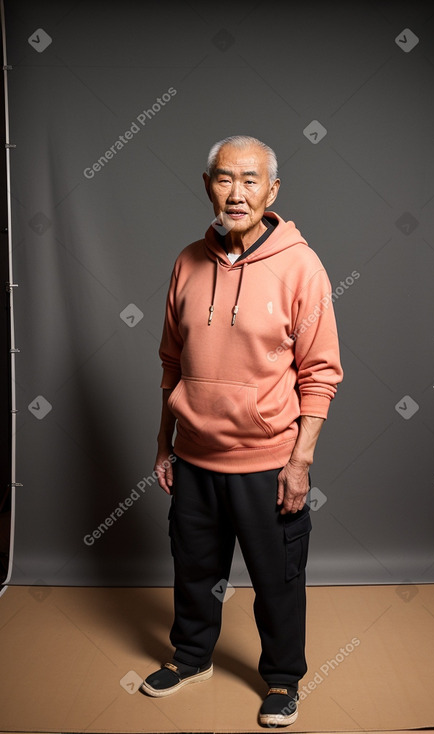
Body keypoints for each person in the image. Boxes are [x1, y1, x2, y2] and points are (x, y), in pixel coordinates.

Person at [140, 135, 343, 727]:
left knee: (277, 580)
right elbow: (170, 364)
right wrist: (163, 444)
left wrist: (299, 461)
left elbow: (322, 372)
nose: (237, 193)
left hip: (267, 462)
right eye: (225, 179)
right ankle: (191, 656)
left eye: (250, 180)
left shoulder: (301, 265)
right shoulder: (187, 261)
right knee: (194, 570)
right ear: (208, 187)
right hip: (195, 457)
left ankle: (283, 680)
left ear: (272, 191)